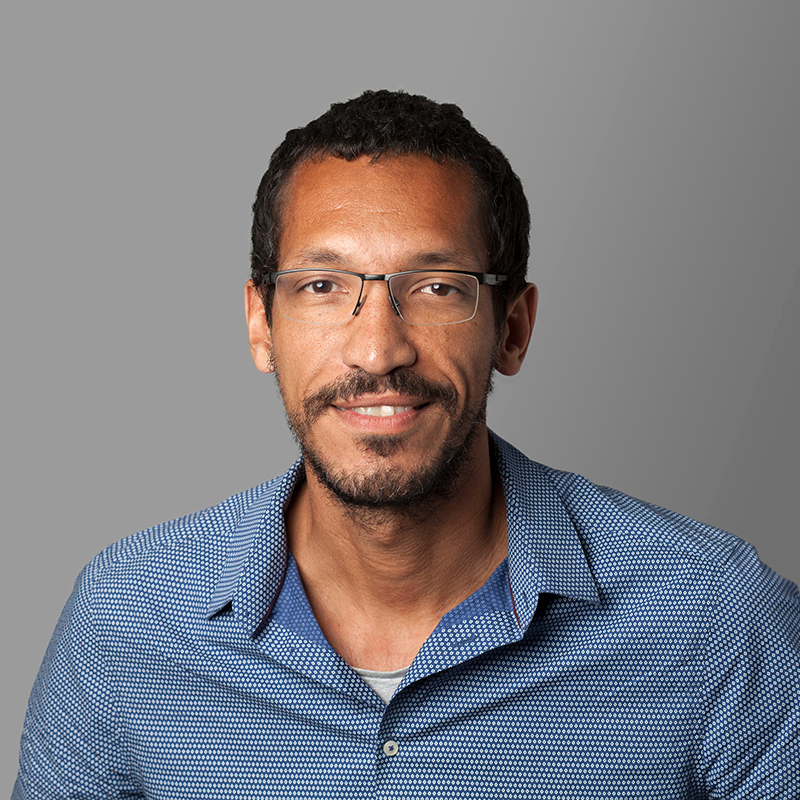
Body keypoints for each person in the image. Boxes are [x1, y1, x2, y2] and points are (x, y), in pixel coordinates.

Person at [14, 90, 799, 799]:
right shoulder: (126, 621)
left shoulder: (716, 620)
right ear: (261, 324)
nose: (378, 350)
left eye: (436, 287)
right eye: (323, 287)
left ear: (513, 329)